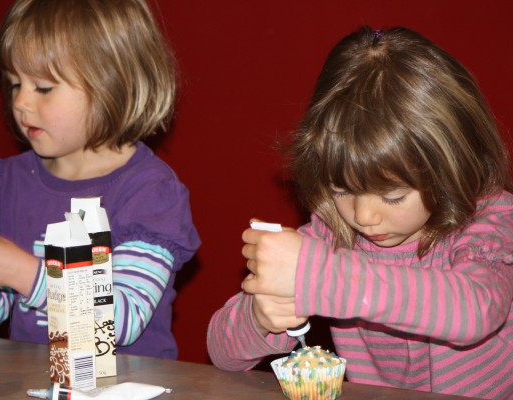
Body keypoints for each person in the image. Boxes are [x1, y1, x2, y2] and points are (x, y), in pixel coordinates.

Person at [207, 26, 513, 399]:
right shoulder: (332, 233)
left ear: (451, 165)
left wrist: (318, 276)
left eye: (394, 195)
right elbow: (220, 354)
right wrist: (259, 316)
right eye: (342, 190)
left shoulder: (488, 218)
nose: (364, 216)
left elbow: (474, 311)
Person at [0, 0, 200, 360]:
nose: (21, 102)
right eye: (15, 83)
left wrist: (21, 271)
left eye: (44, 88)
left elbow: (121, 322)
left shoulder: (149, 194)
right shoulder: (2, 183)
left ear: (113, 83)